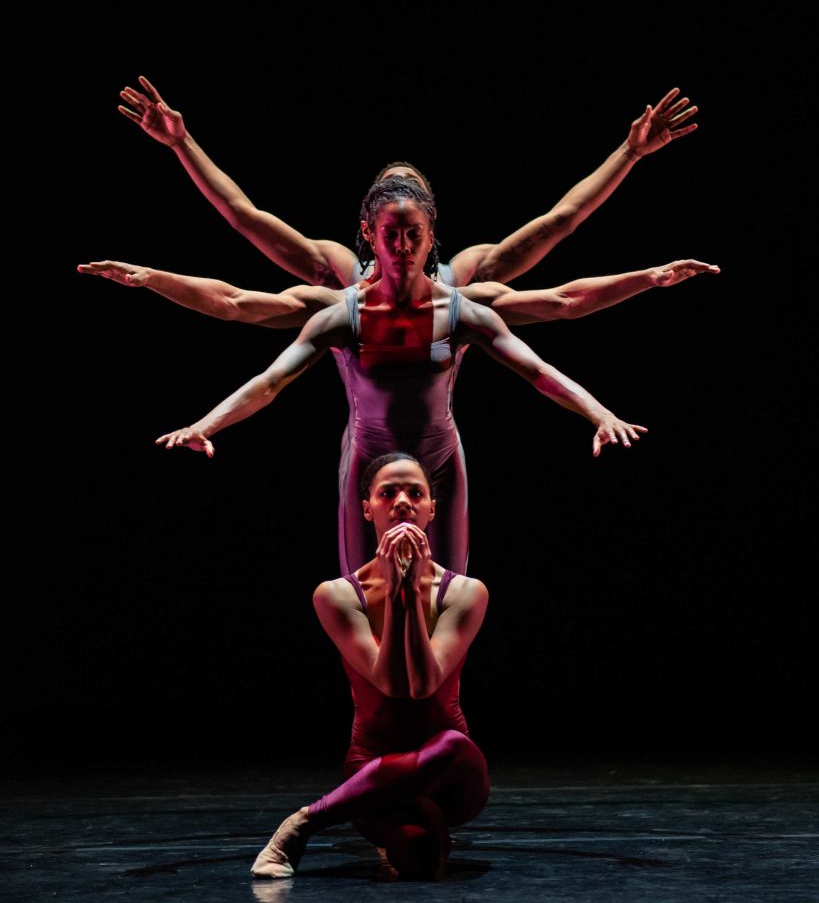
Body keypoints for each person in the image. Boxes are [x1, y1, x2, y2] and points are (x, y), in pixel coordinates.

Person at [154, 175, 649, 574]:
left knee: (448, 595)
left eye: (414, 234)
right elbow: (264, 367)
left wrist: (599, 412)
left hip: (439, 459)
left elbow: (545, 348)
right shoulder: (340, 307)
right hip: (368, 458)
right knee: (362, 595)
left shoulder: (463, 304)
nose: (403, 246)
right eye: (390, 234)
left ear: (432, 234)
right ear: (369, 233)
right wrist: (206, 424)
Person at [117, 76, 699, 288]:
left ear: (429, 224)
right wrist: (182, 144)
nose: (402, 196)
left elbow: (560, 221)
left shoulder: (465, 276)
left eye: (412, 191)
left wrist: (629, 153)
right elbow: (244, 217)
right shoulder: (339, 272)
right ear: (369, 226)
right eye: (392, 190)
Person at [250, 453, 490, 881]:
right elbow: (392, 685)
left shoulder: (466, 592)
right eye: (388, 493)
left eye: (415, 493)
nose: (402, 502)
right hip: (371, 771)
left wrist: (410, 590)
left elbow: (422, 686)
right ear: (367, 509)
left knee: (452, 744)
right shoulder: (336, 595)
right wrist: (398, 590)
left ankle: (303, 822)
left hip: (450, 772)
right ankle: (415, 816)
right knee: (418, 861)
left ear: (432, 509)